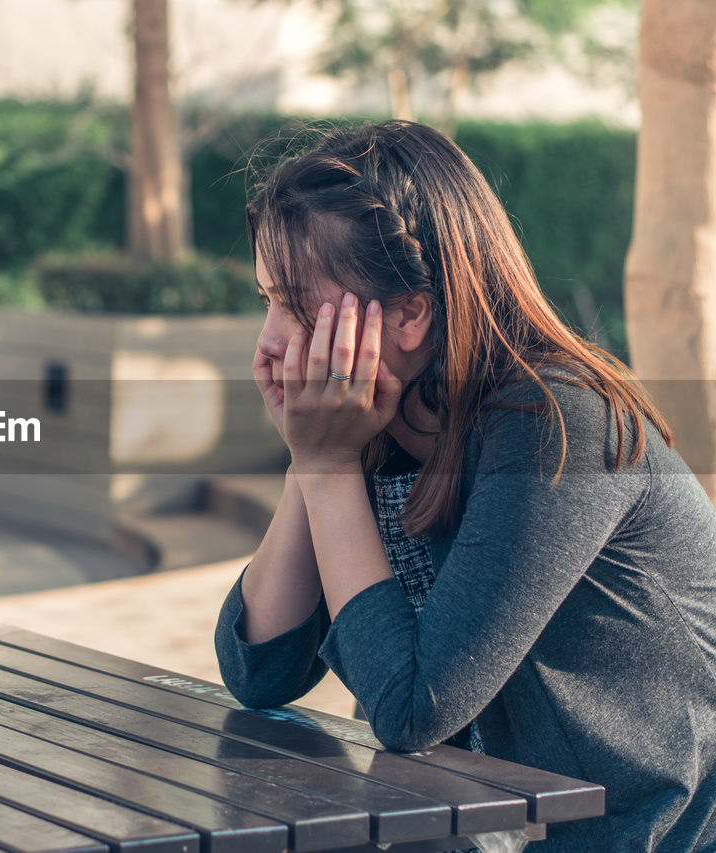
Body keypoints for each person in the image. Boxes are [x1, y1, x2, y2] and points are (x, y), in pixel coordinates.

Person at [214, 120, 716, 852]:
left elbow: (415, 707)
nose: (268, 340)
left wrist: (327, 470)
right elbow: (259, 670)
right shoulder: (383, 423)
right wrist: (311, 457)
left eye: (293, 303)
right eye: (266, 300)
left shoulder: (555, 424)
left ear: (411, 312)